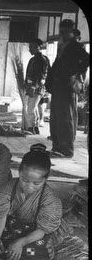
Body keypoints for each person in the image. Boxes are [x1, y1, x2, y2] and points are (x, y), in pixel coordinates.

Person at [0, 144, 71, 260]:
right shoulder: (8, 188)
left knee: (32, 252)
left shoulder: (49, 200)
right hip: (14, 226)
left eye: (36, 183)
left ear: (45, 179)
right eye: (24, 180)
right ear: (19, 172)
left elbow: (42, 230)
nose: (29, 186)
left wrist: (21, 242)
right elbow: (1, 215)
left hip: (35, 232)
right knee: (2, 246)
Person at [46, 19, 89, 158]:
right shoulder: (62, 46)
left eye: (66, 31)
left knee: (65, 118)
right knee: (56, 117)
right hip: (58, 86)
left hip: (67, 86)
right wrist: (50, 82)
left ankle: (66, 150)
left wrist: (74, 72)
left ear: (71, 31)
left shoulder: (76, 46)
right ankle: (57, 146)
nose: (63, 33)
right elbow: (56, 65)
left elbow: (86, 60)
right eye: (62, 31)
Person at [24, 39, 50, 135]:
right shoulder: (33, 59)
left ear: (37, 47)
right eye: (30, 47)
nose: (30, 49)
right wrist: (26, 84)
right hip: (32, 87)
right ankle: (35, 128)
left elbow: (43, 75)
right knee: (33, 108)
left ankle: (31, 127)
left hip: (36, 88)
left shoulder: (42, 59)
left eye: (31, 47)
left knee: (30, 108)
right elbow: (28, 74)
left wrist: (34, 86)